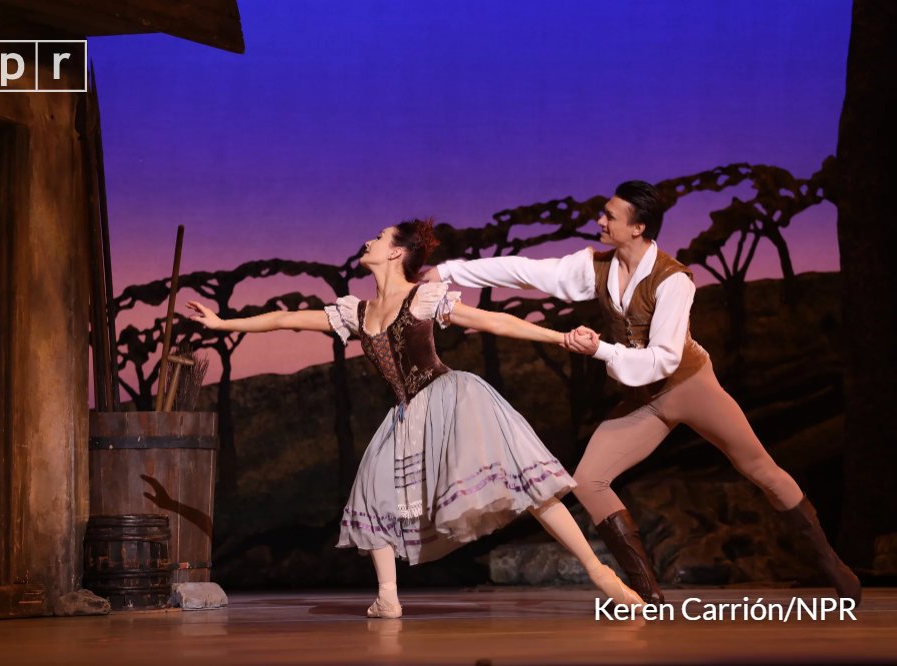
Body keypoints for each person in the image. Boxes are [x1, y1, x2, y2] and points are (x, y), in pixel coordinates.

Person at [428, 181, 861, 605]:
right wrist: (447, 271)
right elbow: (524, 271)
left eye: (610, 216)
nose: (600, 221)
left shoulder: (675, 280)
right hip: (644, 400)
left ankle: (829, 562)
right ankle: (646, 590)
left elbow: (664, 360)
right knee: (589, 481)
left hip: (689, 386)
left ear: (639, 228)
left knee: (761, 469)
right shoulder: (596, 267)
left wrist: (599, 349)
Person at [187, 219, 642, 619]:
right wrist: (224, 324)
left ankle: (599, 572)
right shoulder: (357, 312)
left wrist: (560, 336)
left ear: (395, 252)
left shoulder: (424, 298)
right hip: (407, 414)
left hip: (452, 400)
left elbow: (493, 321)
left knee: (525, 483)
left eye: (378, 236)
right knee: (372, 490)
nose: (368, 240)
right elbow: (288, 319)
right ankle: (388, 598)